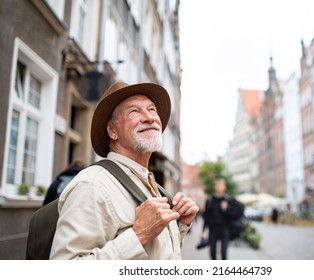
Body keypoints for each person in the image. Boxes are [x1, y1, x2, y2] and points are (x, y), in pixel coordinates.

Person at [50, 81, 199, 259]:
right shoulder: (92, 185)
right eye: (134, 111)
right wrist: (139, 234)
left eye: (152, 110)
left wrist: (179, 226)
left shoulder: (150, 185)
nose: (149, 117)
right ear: (112, 131)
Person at [201, 178, 231, 260]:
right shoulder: (210, 200)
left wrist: (226, 210)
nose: (220, 187)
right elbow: (206, 216)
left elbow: (232, 216)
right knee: (212, 253)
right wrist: (203, 231)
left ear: (224, 187)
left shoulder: (228, 199)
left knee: (224, 254)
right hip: (213, 230)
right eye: (218, 184)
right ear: (215, 187)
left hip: (225, 230)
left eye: (222, 185)